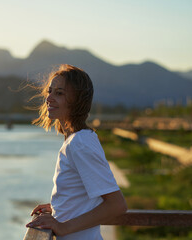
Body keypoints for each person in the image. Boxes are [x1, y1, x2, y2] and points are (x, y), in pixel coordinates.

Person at [26, 64, 128, 239]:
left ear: (77, 100)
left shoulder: (80, 143)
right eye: (49, 91)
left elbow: (116, 205)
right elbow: (83, 194)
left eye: (59, 93)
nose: (49, 98)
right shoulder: (78, 139)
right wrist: (59, 208)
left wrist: (63, 227)